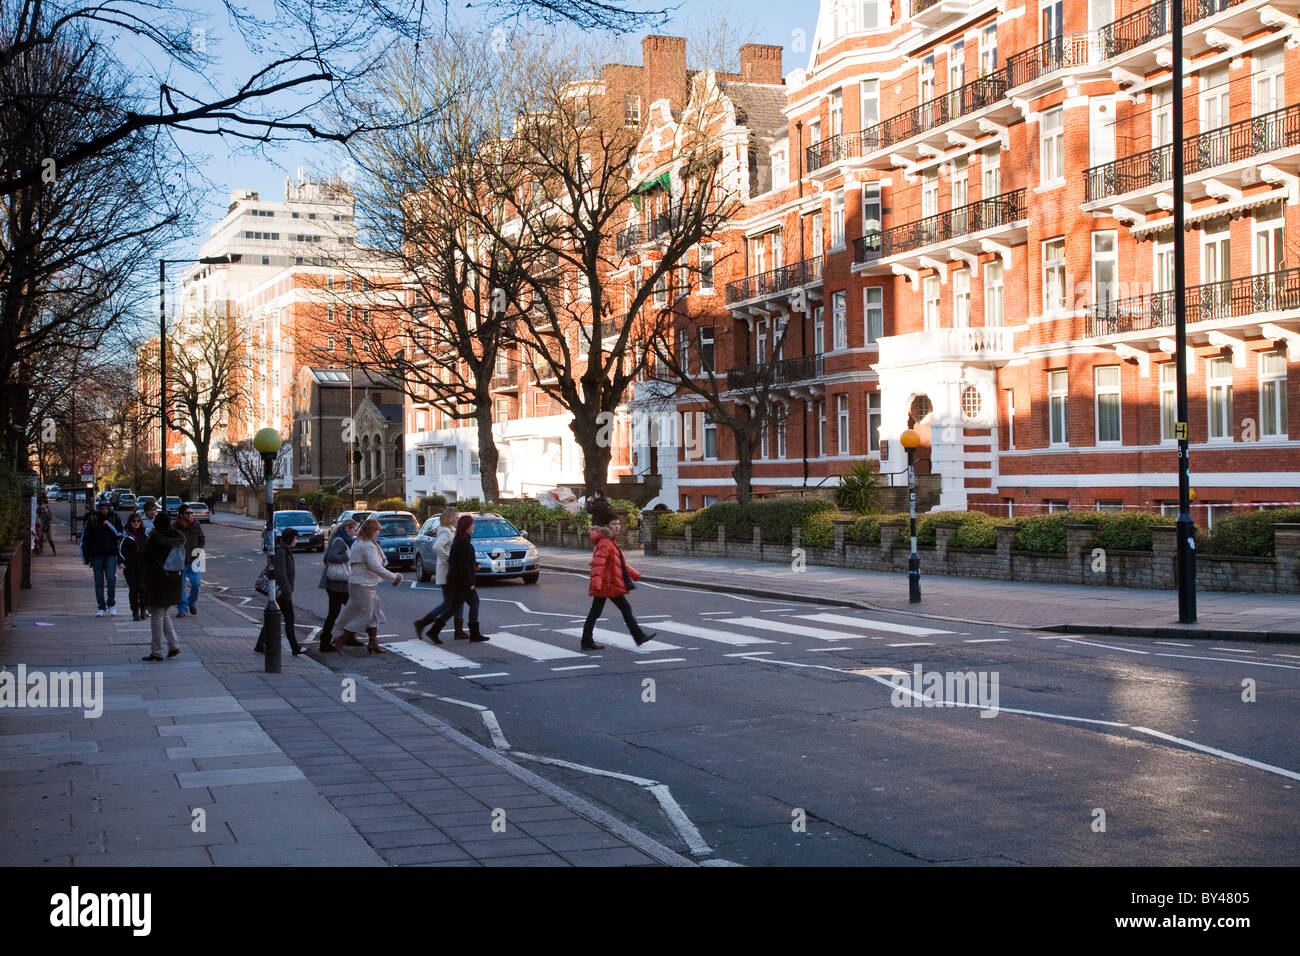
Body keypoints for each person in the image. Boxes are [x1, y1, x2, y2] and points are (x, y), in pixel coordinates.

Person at [581, 506, 655, 651]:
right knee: (622, 609)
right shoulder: (605, 543)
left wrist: (635, 574)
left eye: (619, 523)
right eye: (614, 524)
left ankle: (586, 641)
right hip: (606, 584)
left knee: (595, 613)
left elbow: (618, 563)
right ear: (607, 526)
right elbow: (598, 564)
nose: (618, 526)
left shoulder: (609, 542)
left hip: (608, 583)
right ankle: (638, 636)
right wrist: (596, 584)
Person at [331, 517, 403, 654]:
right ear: (370, 531)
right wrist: (394, 577)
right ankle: (341, 639)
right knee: (366, 614)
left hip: (361, 583)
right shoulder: (368, 545)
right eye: (376, 531)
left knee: (374, 612)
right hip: (362, 584)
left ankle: (372, 642)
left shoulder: (359, 543)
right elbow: (375, 566)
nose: (378, 533)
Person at [418, 515, 489, 644]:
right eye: (472, 524)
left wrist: (474, 565)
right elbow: (462, 567)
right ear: (466, 526)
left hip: (456, 581)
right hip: (462, 582)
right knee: (474, 603)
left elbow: (459, 561)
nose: (474, 526)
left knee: (453, 607)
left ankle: (434, 631)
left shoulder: (460, 540)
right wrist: (471, 584)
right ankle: (474, 634)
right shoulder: (463, 543)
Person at [412, 507, 467, 644]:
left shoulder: (452, 531)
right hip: (448, 573)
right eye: (456, 517)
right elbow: (436, 547)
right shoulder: (446, 532)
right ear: (449, 518)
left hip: (452, 573)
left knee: (456, 602)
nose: (458, 519)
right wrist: (449, 558)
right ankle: (423, 624)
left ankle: (458, 631)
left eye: (458, 517)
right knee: (450, 603)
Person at [140, 513, 185, 661]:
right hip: (174, 578)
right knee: (164, 614)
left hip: (158, 579)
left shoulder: (155, 538)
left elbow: (145, 557)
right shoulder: (178, 538)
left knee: (157, 616)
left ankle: (156, 651)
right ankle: (173, 646)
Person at [256, 528, 306, 655]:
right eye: (295, 538)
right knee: (289, 620)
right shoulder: (282, 552)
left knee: (272, 619)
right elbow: (280, 574)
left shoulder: (283, 551)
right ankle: (295, 647)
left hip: (281, 592)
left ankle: (260, 645)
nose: (297, 540)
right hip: (282, 593)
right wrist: (287, 591)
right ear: (290, 539)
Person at [317, 518, 358, 652]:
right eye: (354, 530)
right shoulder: (340, 541)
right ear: (347, 529)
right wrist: (346, 557)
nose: (355, 533)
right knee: (343, 611)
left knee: (347, 611)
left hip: (338, 584)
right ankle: (326, 642)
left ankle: (345, 637)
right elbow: (329, 557)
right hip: (337, 585)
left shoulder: (343, 540)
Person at [80, 501, 123, 617]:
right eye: (102, 509)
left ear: (109, 509)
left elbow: (120, 534)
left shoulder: (115, 518)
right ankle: (101, 606)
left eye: (106, 508)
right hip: (96, 554)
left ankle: (111, 603)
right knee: (98, 582)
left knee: (111, 578)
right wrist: (86, 557)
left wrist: (109, 525)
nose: (104, 511)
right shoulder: (92, 519)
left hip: (110, 553)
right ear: (99, 509)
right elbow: (85, 538)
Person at [173, 504, 205, 616]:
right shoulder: (175, 527)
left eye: (191, 513)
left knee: (196, 584)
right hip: (180, 561)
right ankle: (182, 610)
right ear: (181, 515)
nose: (190, 515)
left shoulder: (196, 525)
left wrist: (199, 550)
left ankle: (191, 603)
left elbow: (202, 539)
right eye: (188, 513)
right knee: (180, 587)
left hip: (195, 560)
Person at [118, 512, 149, 620]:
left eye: (138, 521)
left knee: (143, 589)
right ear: (130, 522)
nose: (136, 523)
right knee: (134, 589)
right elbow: (120, 551)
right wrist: (121, 562)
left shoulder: (145, 536)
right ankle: (135, 611)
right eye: (133, 521)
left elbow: (150, 552)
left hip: (143, 567)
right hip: (130, 567)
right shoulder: (126, 537)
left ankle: (143, 610)